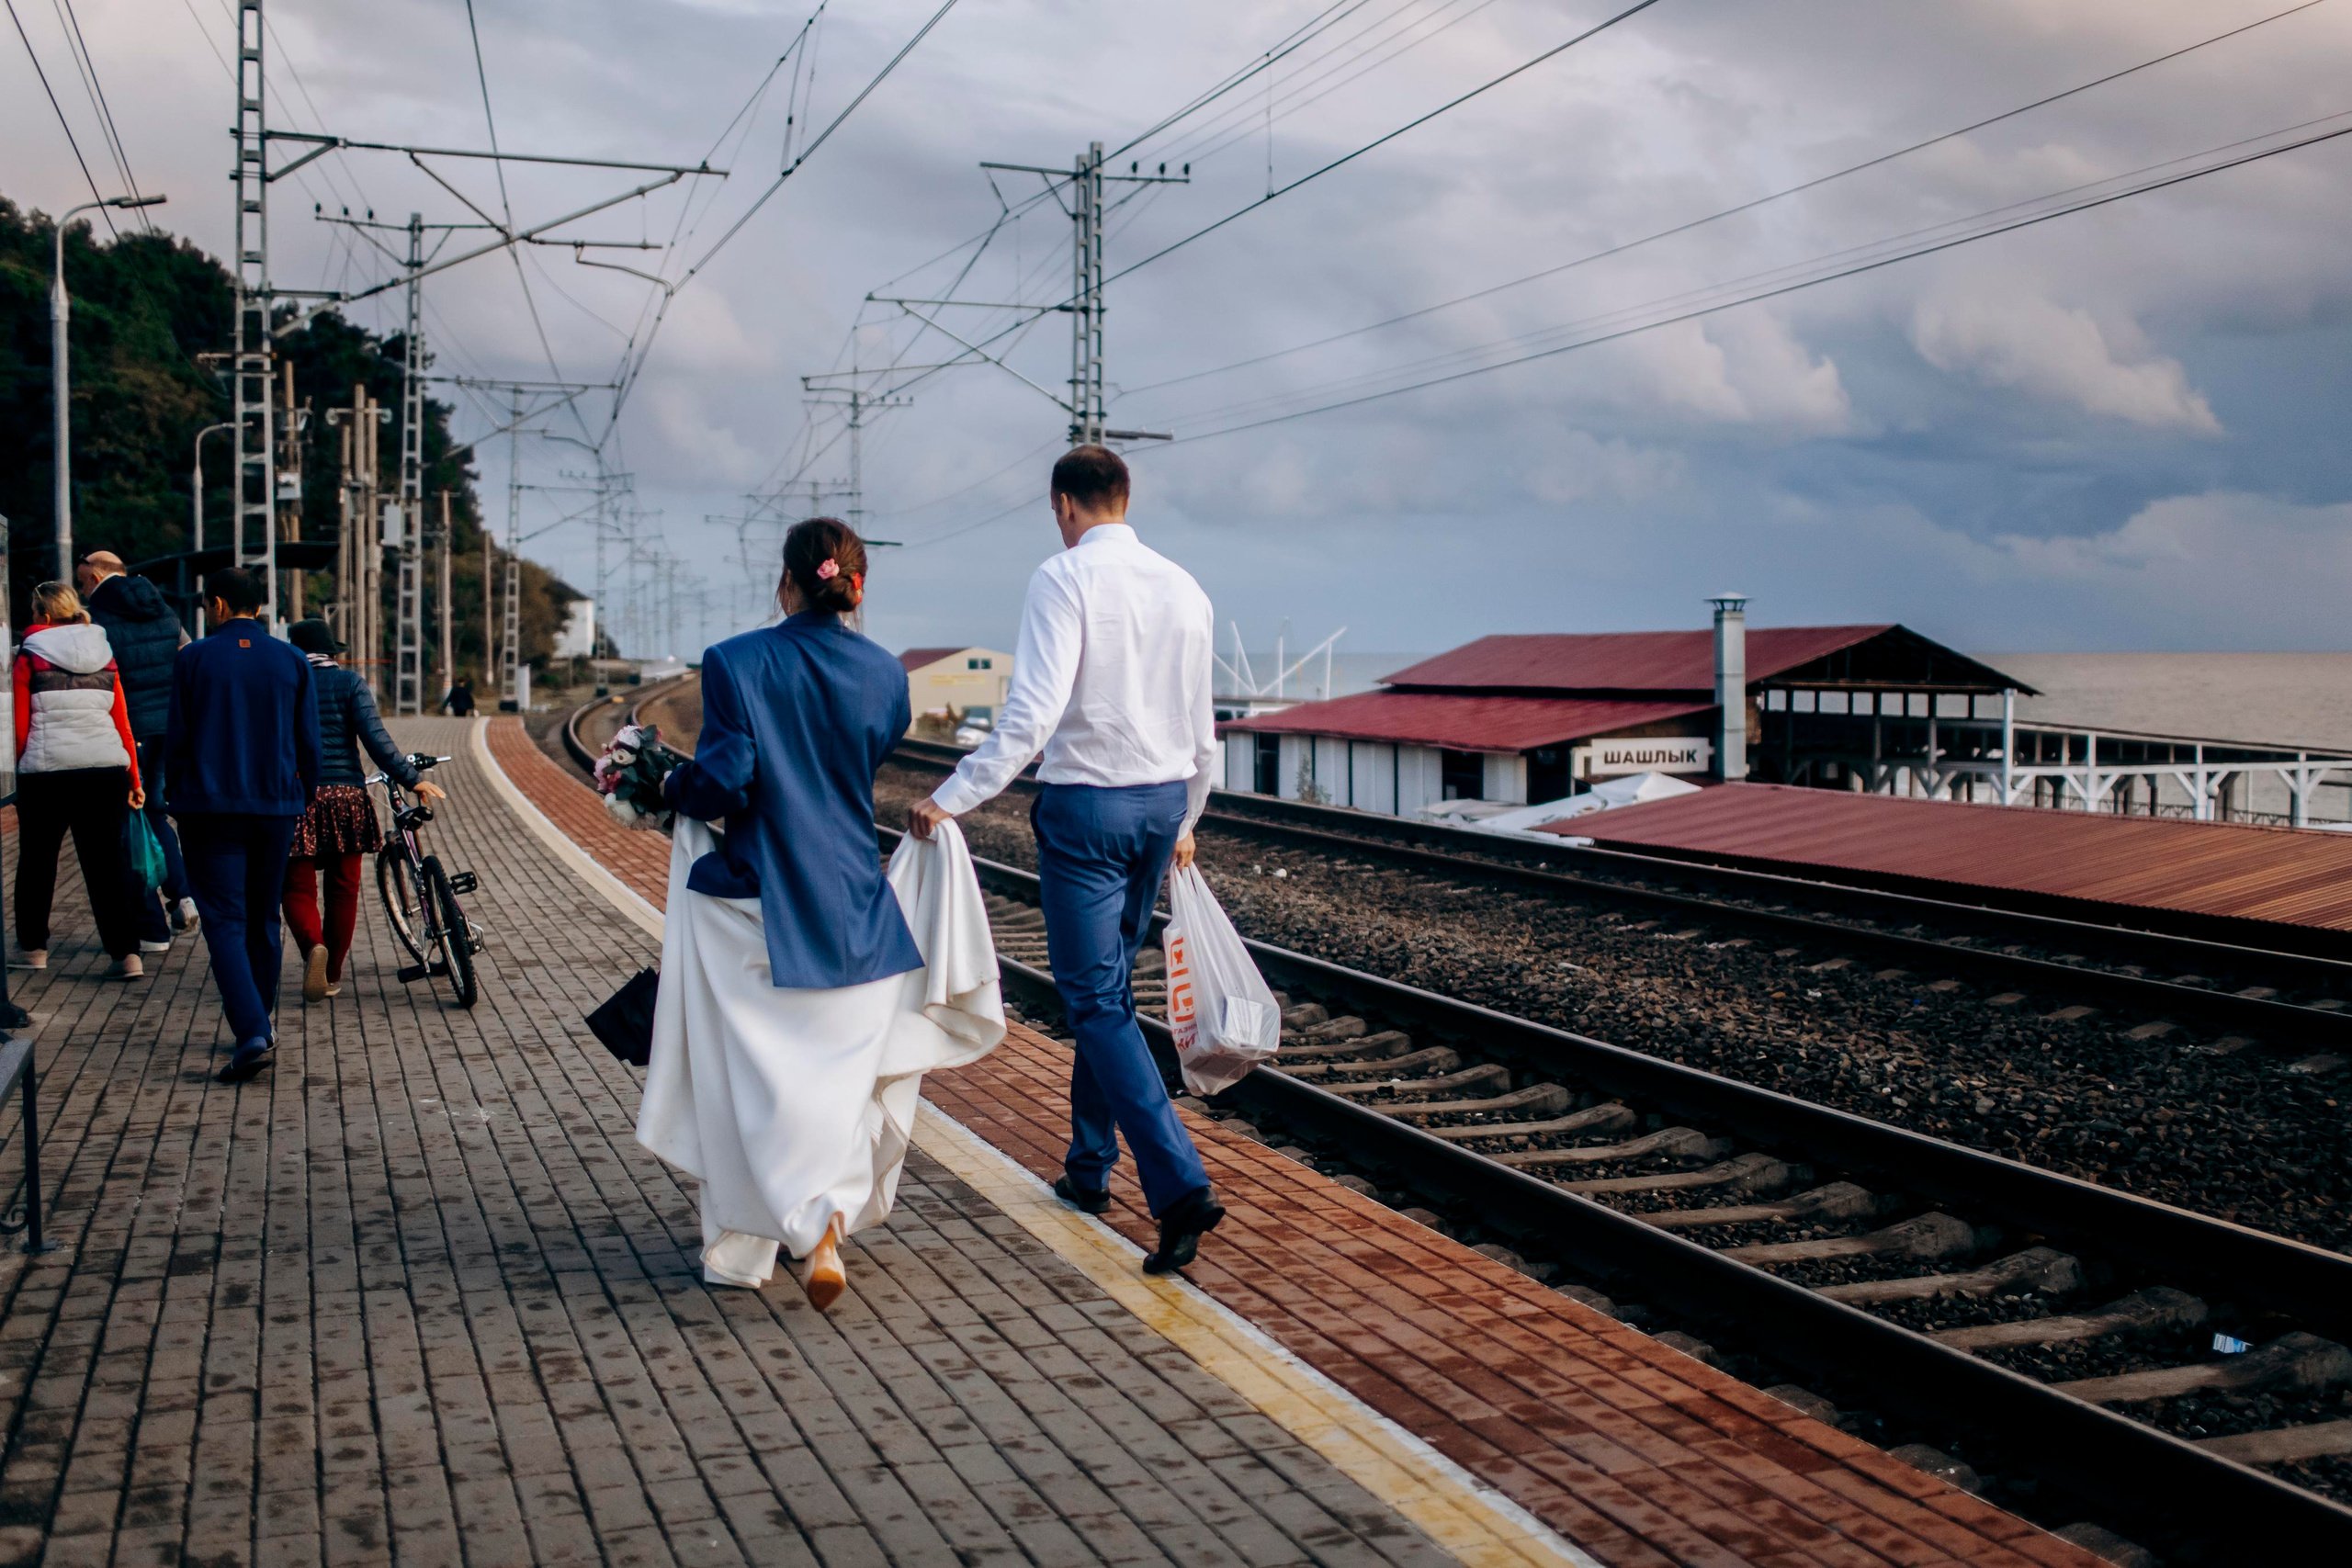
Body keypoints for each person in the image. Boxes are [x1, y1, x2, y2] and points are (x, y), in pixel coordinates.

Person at [636, 518, 1002, 1309]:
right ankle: (823, 1223)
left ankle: (762, 1240)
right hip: (855, 910)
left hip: (761, 900)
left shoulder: (734, 660)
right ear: (856, 587)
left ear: (787, 582)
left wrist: (666, 785)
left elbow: (725, 780)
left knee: (747, 1077)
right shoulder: (885, 675)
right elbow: (860, 753)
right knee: (831, 1087)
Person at [909, 445, 1225, 1275]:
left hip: (1087, 812)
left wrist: (953, 796)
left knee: (1094, 1000)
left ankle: (1179, 1186)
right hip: (1161, 808)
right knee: (1106, 994)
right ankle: (1088, 1168)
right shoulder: (1185, 587)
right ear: (1126, 497)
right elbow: (1205, 734)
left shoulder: (1062, 577)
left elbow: (1032, 714)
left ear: (1063, 505)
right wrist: (1188, 816)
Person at [166, 569, 321, 1083]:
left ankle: (253, 1030)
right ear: (259, 606)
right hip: (276, 807)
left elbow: (178, 735)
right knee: (263, 917)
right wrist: (303, 795)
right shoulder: (292, 659)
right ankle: (262, 1020)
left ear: (217, 604)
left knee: (224, 922)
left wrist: (174, 792)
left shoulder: (193, 658)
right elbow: (309, 742)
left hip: (209, 808)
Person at [283, 620, 445, 1002]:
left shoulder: (283, 683)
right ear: (332, 653)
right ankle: (331, 973)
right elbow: (376, 739)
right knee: (344, 888)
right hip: (346, 797)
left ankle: (314, 948)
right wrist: (412, 779)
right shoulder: (350, 683)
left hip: (294, 795)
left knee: (296, 886)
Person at [10, 581, 147, 979]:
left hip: (46, 772)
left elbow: (19, 724)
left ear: (44, 615)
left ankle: (33, 949)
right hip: (105, 770)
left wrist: (17, 771)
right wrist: (133, 777)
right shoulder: (104, 654)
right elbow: (121, 720)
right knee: (107, 864)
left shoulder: (29, 655)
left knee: (37, 863)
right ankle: (127, 955)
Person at [79, 550, 199, 945]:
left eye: (82, 582)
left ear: (97, 577)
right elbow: (187, 656)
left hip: (128, 731)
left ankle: (151, 928)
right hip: (169, 728)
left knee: (130, 820)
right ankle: (183, 895)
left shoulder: (98, 619)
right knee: (156, 812)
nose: (81, 591)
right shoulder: (163, 609)